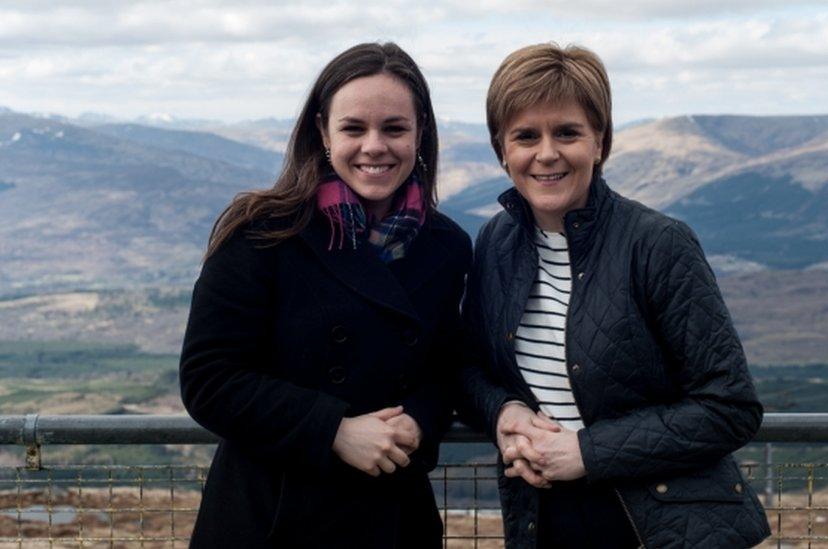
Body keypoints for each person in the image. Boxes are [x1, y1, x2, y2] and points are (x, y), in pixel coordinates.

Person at [456, 43, 771, 548]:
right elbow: (469, 366)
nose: (546, 153)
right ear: (502, 150)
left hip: (663, 528)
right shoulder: (497, 242)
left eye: (567, 133)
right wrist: (503, 411)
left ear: (599, 141)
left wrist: (587, 451)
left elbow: (730, 406)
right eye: (525, 136)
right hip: (545, 518)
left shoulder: (657, 243)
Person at [179, 42, 470, 548]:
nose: (374, 146)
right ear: (322, 132)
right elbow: (209, 378)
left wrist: (418, 424)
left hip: (394, 517)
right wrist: (332, 429)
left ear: (420, 132)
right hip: (271, 518)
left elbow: (447, 369)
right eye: (354, 128)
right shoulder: (263, 232)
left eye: (394, 128)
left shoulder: (446, 246)